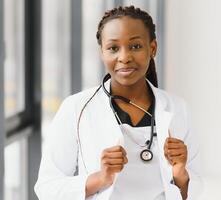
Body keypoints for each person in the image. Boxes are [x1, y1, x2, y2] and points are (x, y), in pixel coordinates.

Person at [34, 5, 202, 200]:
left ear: (152, 48)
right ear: (102, 53)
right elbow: (47, 188)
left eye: (136, 46)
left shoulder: (178, 108)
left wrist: (180, 172)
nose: (124, 57)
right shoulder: (76, 108)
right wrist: (100, 178)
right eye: (113, 48)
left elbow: (195, 189)